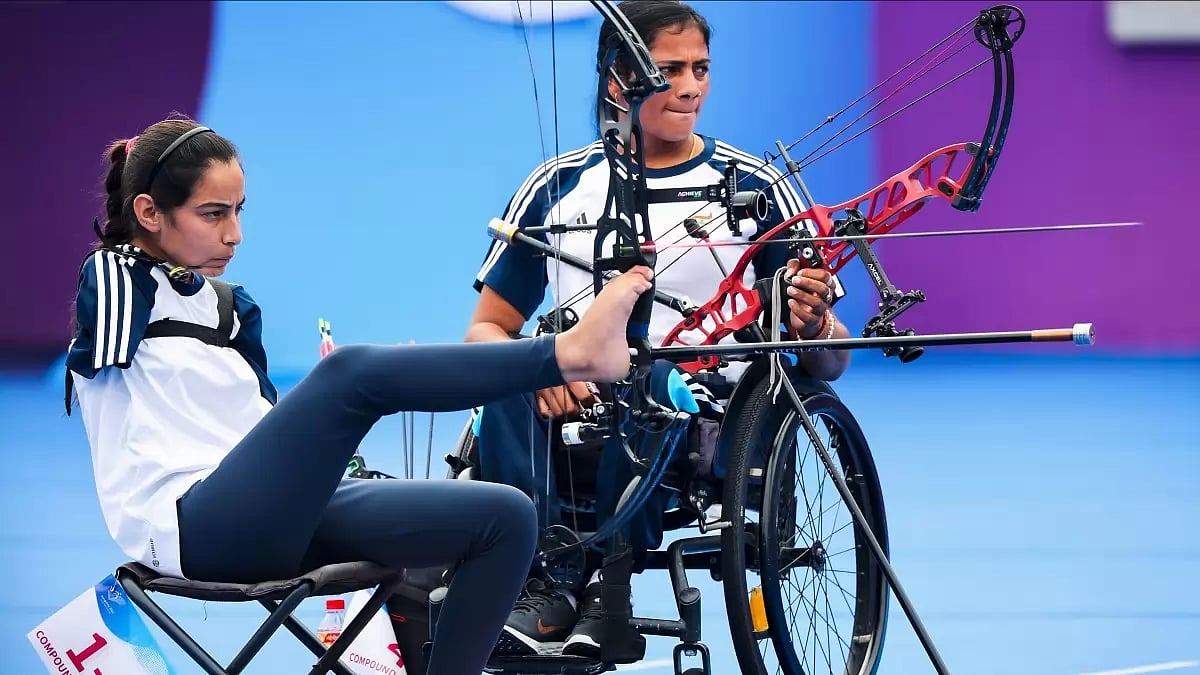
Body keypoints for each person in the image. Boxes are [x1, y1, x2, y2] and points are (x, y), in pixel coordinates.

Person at [64, 117, 657, 675]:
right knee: (350, 375)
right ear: (148, 212)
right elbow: (108, 322)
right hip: (193, 531)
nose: (234, 234)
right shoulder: (114, 280)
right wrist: (135, 234)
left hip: (275, 514)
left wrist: (341, 466)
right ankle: (569, 353)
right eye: (213, 213)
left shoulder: (229, 308)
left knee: (504, 515)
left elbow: (267, 432)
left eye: (240, 211)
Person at [467, 0, 854, 659]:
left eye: (701, 68)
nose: (692, 86)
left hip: (704, 419)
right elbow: (486, 329)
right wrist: (540, 367)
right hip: (574, 400)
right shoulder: (556, 186)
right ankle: (541, 579)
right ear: (619, 78)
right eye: (670, 69)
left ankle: (608, 595)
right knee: (505, 371)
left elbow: (832, 360)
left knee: (649, 377)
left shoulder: (755, 187)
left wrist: (811, 322)